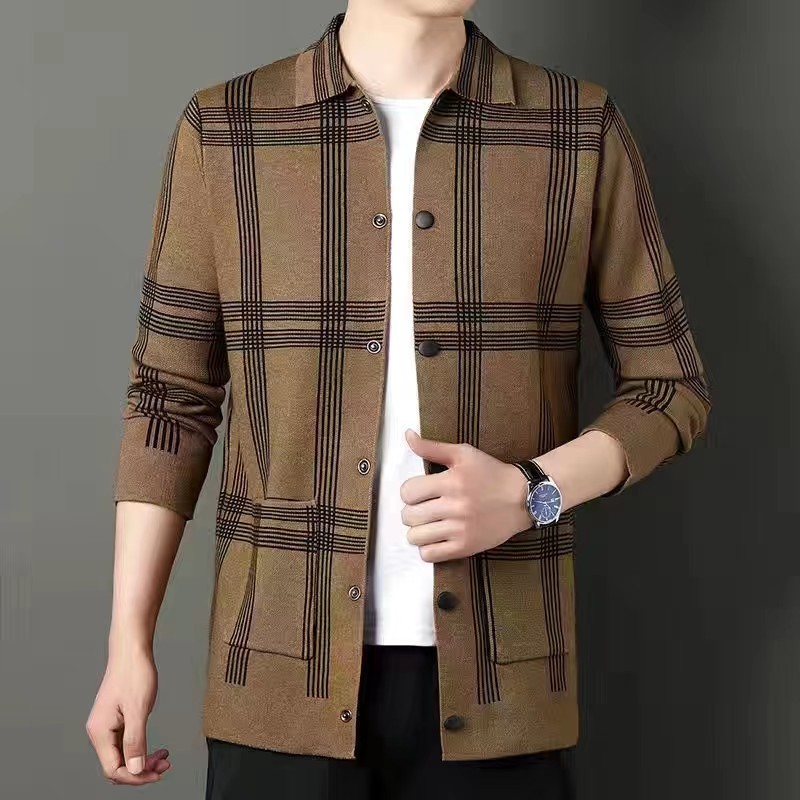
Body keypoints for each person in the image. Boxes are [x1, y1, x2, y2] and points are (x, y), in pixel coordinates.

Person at [86, 1, 712, 798]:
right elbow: (169, 399)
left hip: (503, 687)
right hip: (278, 683)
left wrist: (532, 493)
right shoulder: (228, 130)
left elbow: (669, 387)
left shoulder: (576, 128)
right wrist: (128, 641)